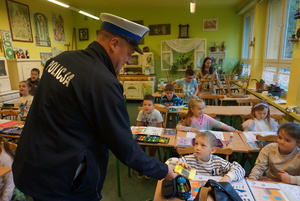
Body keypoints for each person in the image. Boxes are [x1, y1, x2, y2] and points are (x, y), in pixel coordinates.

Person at [12, 13, 177, 201]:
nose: (129, 60)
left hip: (33, 166)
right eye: (130, 53)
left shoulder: (60, 60)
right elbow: (124, 146)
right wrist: (164, 170)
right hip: (64, 181)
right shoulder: (103, 82)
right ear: (114, 44)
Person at [167, 131, 245, 182]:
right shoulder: (188, 160)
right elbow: (169, 163)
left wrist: (228, 177)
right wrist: (177, 162)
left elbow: (239, 169)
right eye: (196, 144)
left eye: (203, 145)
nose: (197, 147)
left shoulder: (217, 161)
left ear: (212, 150)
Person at [136, 94, 163, 178]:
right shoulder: (141, 112)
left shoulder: (157, 113)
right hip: (144, 134)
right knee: (140, 146)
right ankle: (143, 165)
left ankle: (150, 165)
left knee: (152, 146)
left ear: (153, 106)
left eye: (149, 105)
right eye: (144, 105)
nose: (146, 107)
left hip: (154, 134)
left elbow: (160, 127)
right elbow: (138, 126)